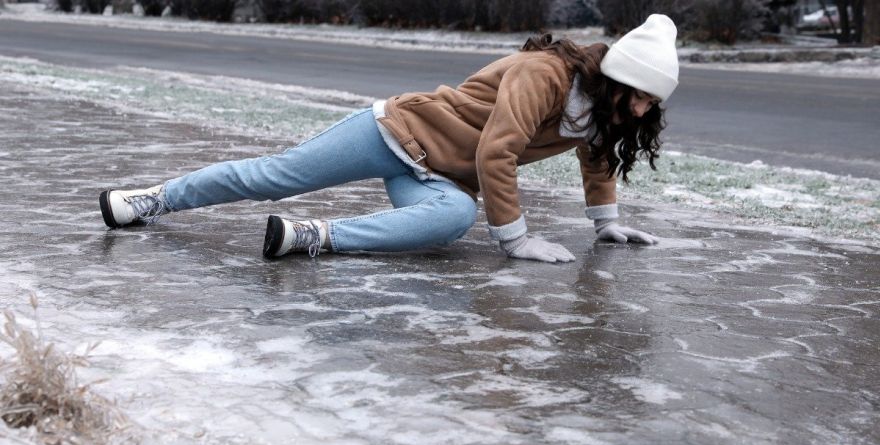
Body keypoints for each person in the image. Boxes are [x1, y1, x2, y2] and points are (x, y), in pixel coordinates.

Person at [99, 14, 679, 263]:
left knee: (451, 221)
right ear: (614, 79)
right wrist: (516, 240)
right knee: (273, 177)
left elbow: (598, 154)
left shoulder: (602, 110)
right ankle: (151, 199)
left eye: (653, 101)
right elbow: (496, 151)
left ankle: (311, 237)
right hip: (395, 131)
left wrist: (605, 223)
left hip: (439, 176)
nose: (644, 108)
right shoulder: (545, 75)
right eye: (640, 95)